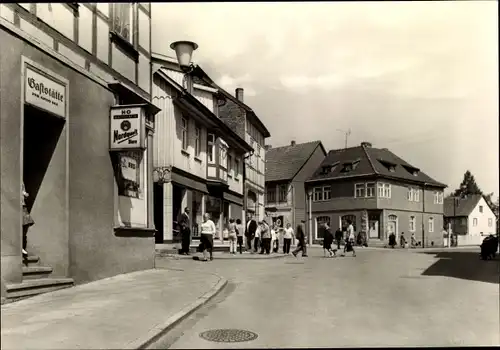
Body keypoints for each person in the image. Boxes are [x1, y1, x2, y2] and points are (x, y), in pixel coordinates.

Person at [22, 182, 34, 258]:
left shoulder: (21, 182)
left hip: (23, 206)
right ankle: (21, 247)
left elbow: (24, 192)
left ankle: (22, 245)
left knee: (27, 224)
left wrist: (25, 194)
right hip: (18, 206)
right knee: (21, 225)